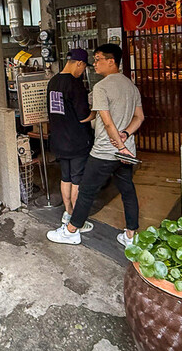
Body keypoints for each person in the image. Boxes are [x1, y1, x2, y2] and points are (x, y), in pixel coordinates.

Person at [47, 43, 144, 247]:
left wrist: (119, 145)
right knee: (127, 191)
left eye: (99, 59)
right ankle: (130, 236)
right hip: (125, 153)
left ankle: (72, 231)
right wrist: (126, 135)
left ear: (111, 61)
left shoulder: (102, 87)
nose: (94, 63)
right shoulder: (131, 85)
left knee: (86, 191)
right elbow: (139, 117)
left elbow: (107, 122)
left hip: (105, 152)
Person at [47, 49, 95, 233]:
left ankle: (67, 213)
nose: (82, 72)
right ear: (79, 64)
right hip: (76, 142)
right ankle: (76, 221)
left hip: (59, 140)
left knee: (65, 177)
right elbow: (83, 116)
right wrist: (97, 112)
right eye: (83, 68)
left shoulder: (53, 81)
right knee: (77, 180)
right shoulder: (75, 85)